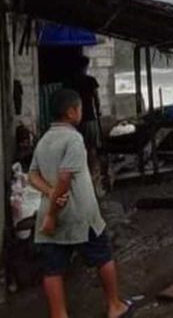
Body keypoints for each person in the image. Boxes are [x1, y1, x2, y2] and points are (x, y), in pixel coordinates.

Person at [27, 89, 132, 318]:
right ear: (71, 112)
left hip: (48, 216)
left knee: (52, 269)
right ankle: (115, 306)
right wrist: (53, 212)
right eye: (80, 108)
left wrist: (49, 194)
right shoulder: (74, 139)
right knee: (102, 256)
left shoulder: (45, 139)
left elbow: (32, 175)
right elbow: (66, 178)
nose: (81, 113)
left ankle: (59, 314)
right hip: (79, 214)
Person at [67, 55, 103, 195]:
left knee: (78, 150)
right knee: (92, 148)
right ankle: (92, 179)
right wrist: (98, 110)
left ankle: (80, 180)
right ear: (85, 66)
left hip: (75, 121)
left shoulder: (71, 82)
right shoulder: (90, 81)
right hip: (89, 119)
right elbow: (96, 98)